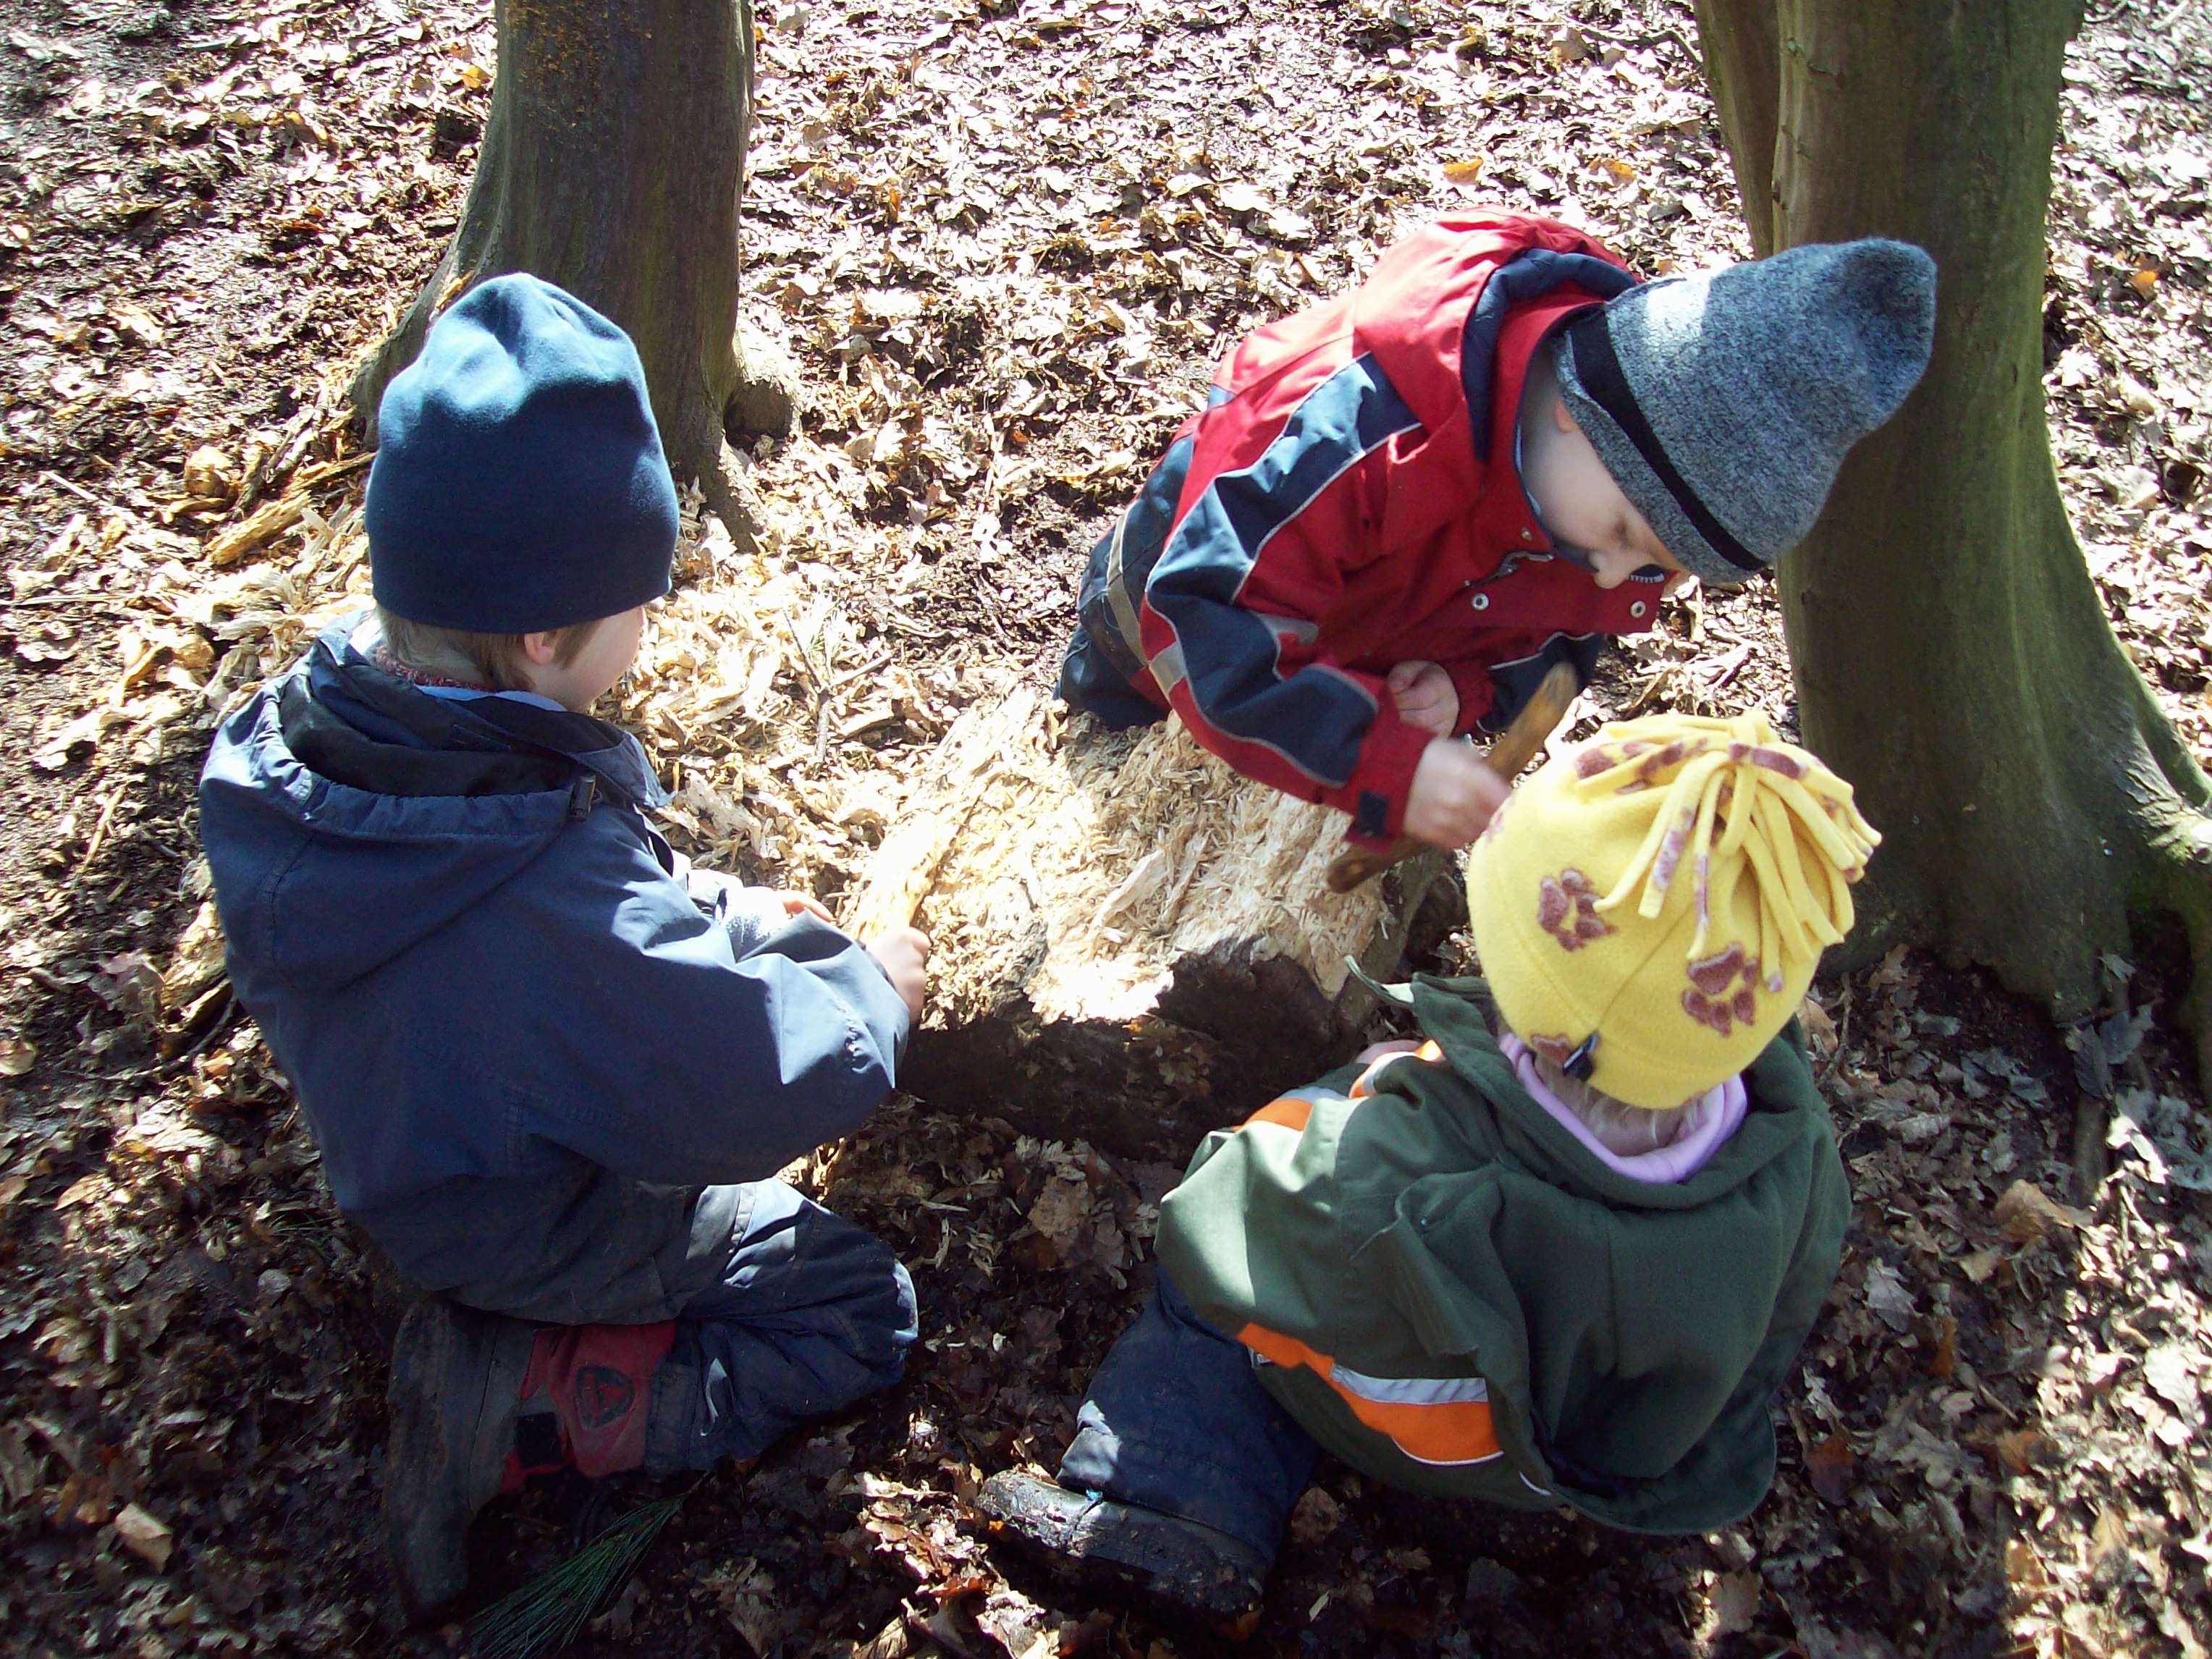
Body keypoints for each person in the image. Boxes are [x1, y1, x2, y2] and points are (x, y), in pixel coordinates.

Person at [196, 275, 932, 1618]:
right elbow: (741, 1088)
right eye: (640, 598)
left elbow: (557, 900)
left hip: (405, 1141)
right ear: (544, 634)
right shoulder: (537, 894)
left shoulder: (312, 739)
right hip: (512, 1214)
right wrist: (868, 996)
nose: (652, 622)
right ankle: (515, 1397)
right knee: (854, 1309)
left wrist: (716, 911)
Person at [976, 710, 1875, 1628]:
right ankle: (1516, 1511)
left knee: (1212, 1303)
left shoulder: (1413, 1167)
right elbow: (1786, 1296)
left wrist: (1356, 1097)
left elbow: (1234, 1208)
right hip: (1618, 1452)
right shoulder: (1790, 1139)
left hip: (1461, 1427)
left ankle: (1166, 1500)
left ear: (1536, 992)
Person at [1058, 210, 1933, 853]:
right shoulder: (1360, 430)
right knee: (1106, 755)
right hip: (1165, 616)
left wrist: (1460, 689)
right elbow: (1203, 614)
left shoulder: (1590, 510)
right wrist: (1387, 764)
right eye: (1626, 533)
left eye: (1656, 568)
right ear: (1580, 414)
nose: (1613, 576)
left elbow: (1552, 648)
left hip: (1344, 667)